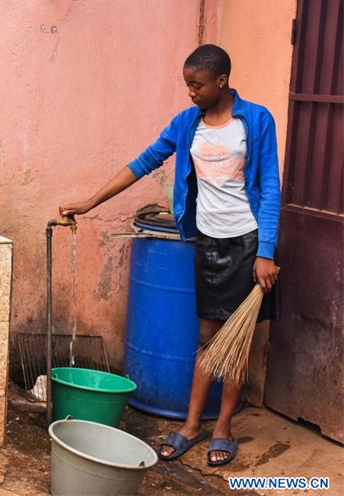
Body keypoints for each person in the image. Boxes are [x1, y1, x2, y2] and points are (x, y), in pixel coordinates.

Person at [59, 44, 281, 467]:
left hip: (248, 243)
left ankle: (223, 429)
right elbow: (143, 162)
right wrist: (90, 202)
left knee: (236, 343)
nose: (191, 93)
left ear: (221, 81)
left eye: (196, 85)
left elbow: (269, 186)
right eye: (187, 85)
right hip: (209, 243)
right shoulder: (186, 124)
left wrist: (265, 252)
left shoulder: (255, 120)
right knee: (206, 339)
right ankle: (192, 425)